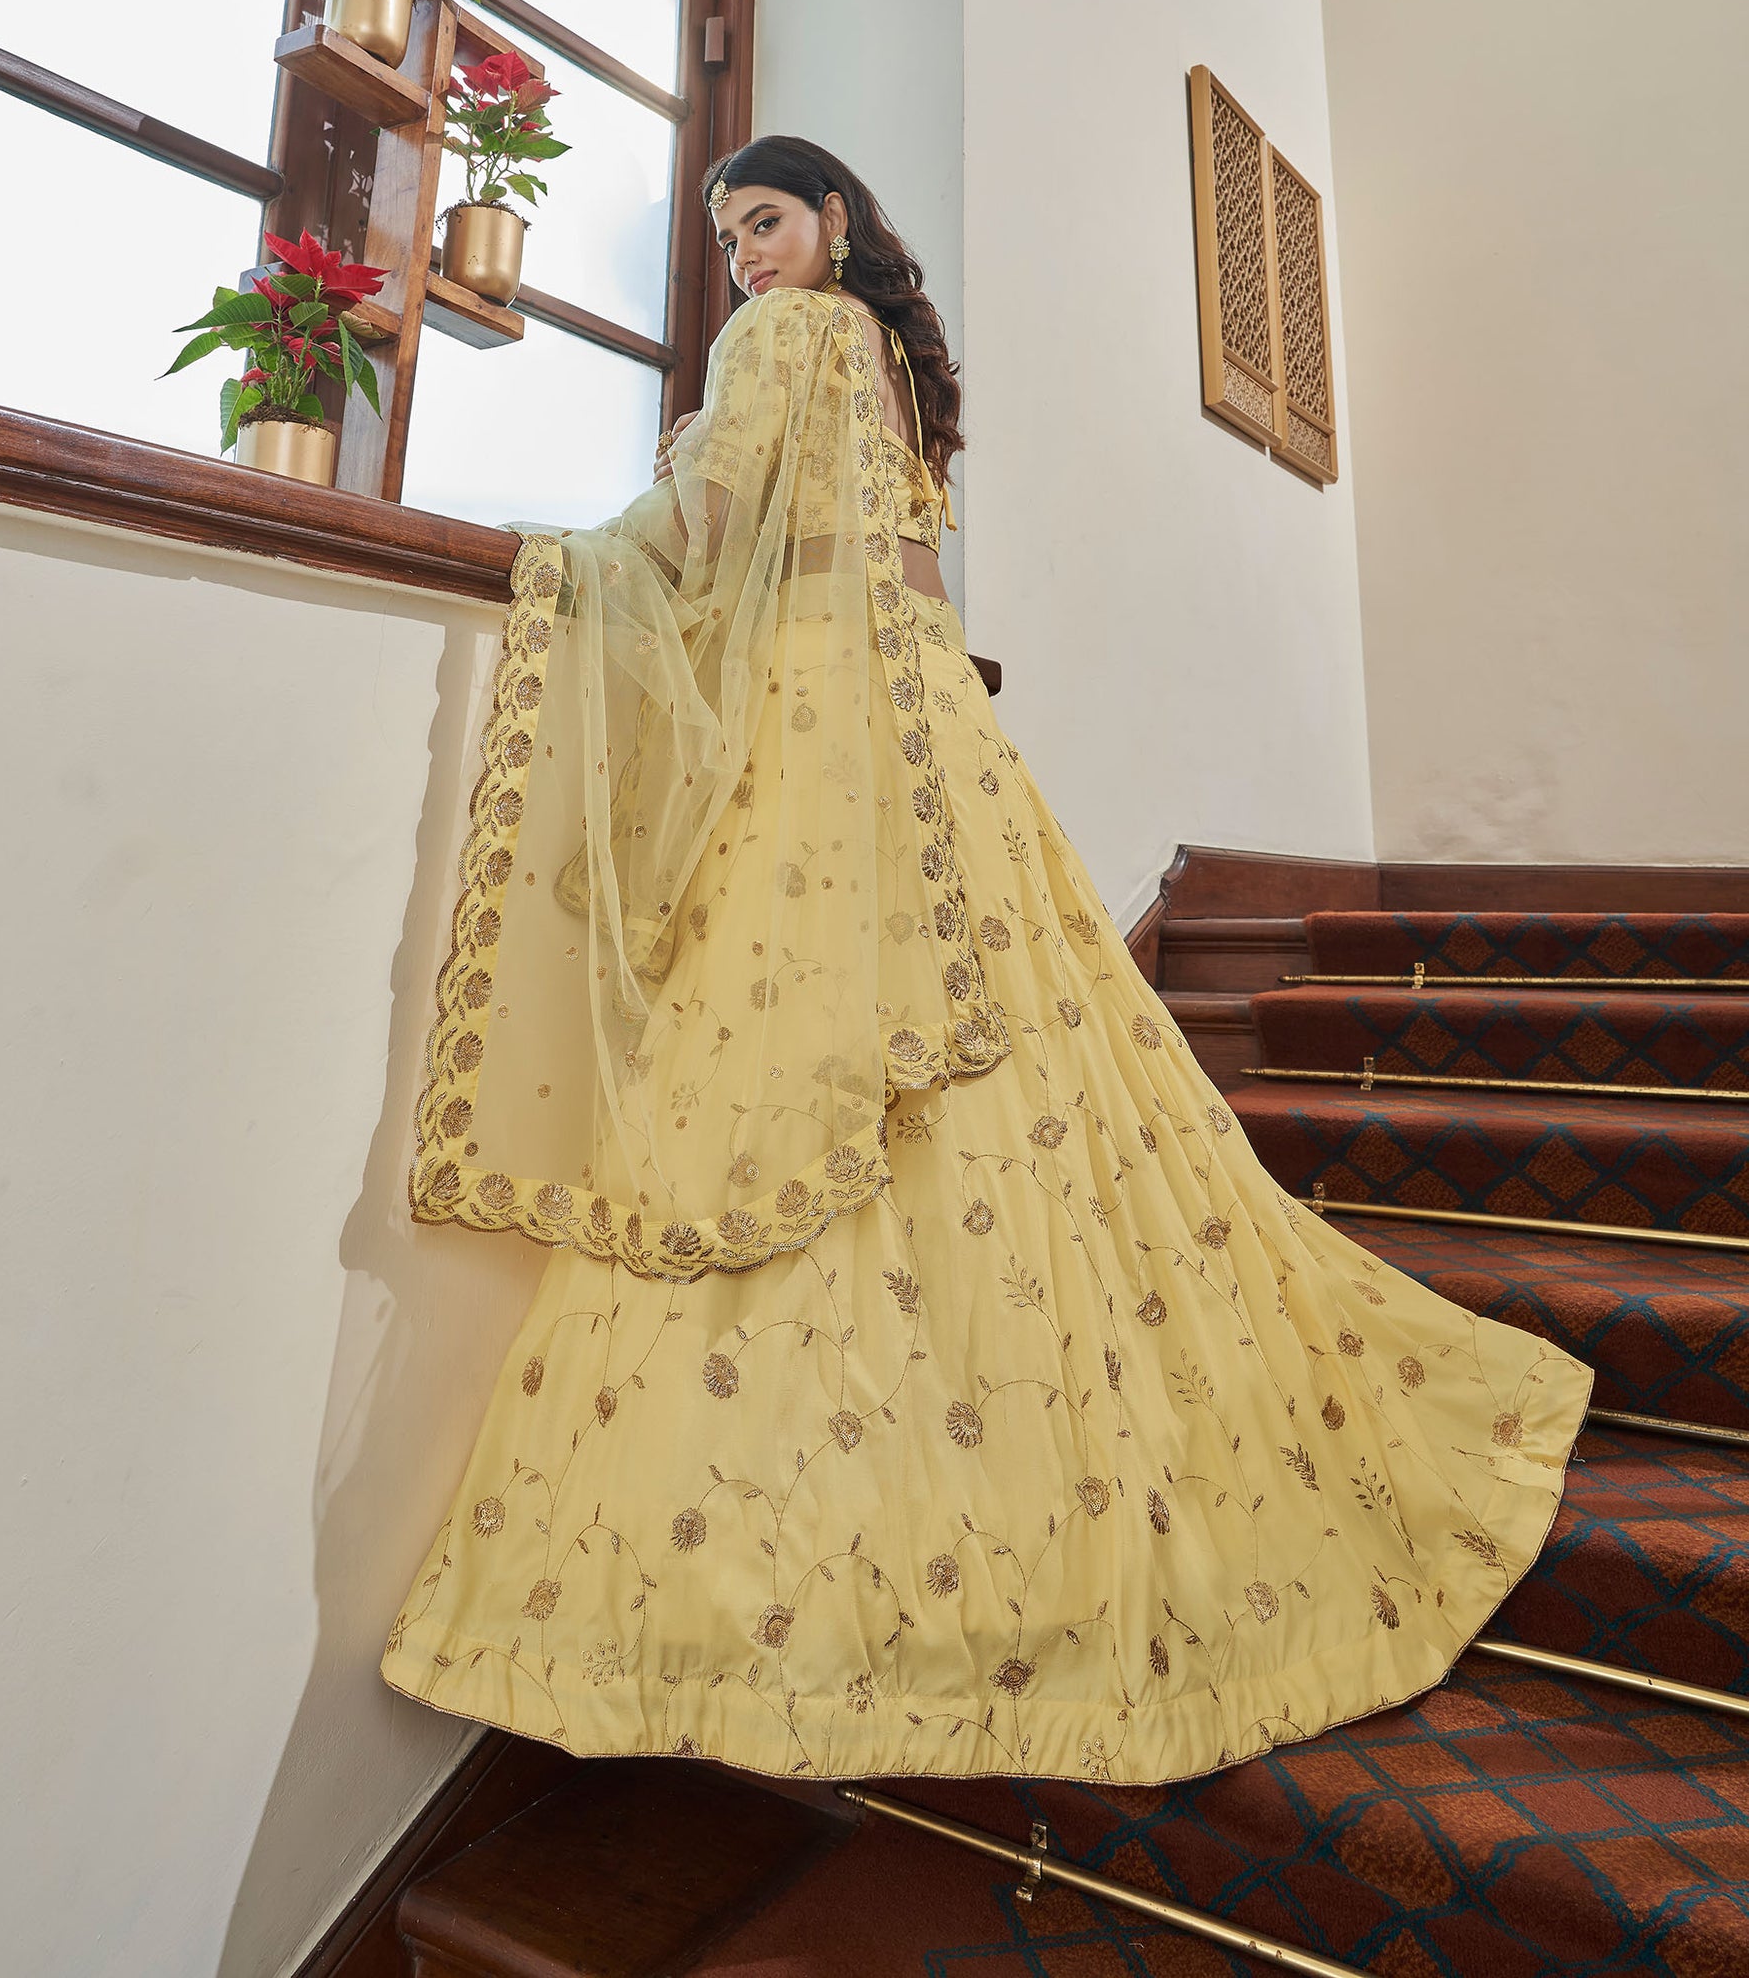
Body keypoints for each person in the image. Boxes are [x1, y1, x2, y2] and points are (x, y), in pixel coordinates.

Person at [382, 136, 1588, 1784]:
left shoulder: (780, 337)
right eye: (729, 238)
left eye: (765, 221)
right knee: (1001, 1034)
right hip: (922, 715)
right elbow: (915, 582)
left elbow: (702, 530)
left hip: (814, 711)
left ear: (833, 220)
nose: (745, 257)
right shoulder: (888, 362)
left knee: (787, 1044)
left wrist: (562, 552)